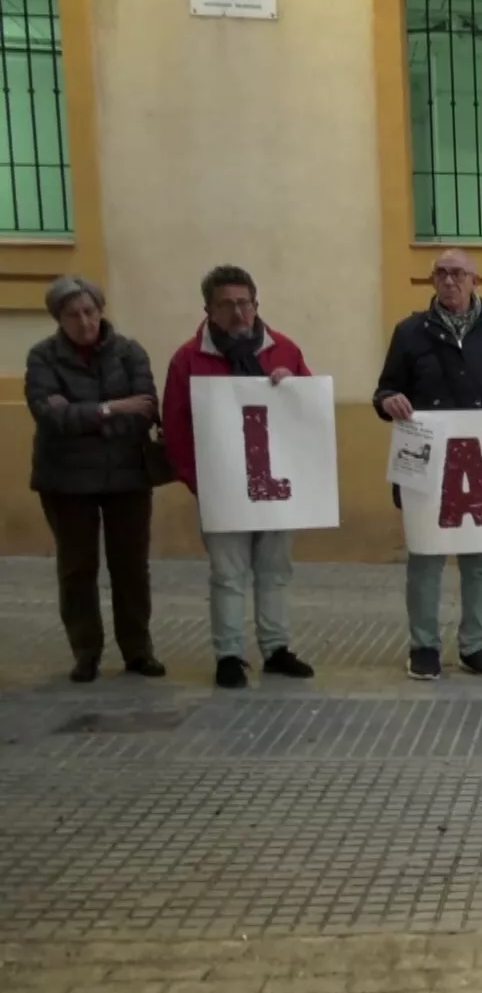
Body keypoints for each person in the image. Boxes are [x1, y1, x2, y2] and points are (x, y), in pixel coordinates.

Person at [373, 248, 482, 682]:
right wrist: (388, 401)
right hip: (427, 465)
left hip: (480, 467)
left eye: (458, 274)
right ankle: (424, 646)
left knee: (479, 562)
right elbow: (385, 390)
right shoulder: (410, 332)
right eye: (442, 273)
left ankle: (476, 645)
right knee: (425, 557)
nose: (450, 281)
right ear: (433, 280)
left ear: (475, 281)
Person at [161, 265, 318, 689]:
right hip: (223, 487)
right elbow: (175, 428)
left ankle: (277, 647)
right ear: (208, 310)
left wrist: (294, 388)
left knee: (275, 570)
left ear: (256, 304)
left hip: (276, 486)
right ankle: (229, 654)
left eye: (244, 302)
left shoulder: (283, 350)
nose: (237, 312)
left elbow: (309, 414)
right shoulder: (188, 359)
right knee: (227, 573)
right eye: (226, 304)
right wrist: (201, 482)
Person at [25, 275, 166, 683]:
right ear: (59, 319)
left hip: (128, 476)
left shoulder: (129, 352)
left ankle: (138, 649)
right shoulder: (43, 358)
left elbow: (144, 410)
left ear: (101, 311)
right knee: (77, 568)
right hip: (66, 482)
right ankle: (86, 651)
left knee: (131, 568)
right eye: (73, 315)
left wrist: (86, 415)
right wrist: (110, 409)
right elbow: (50, 416)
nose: (84, 322)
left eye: (90, 311)